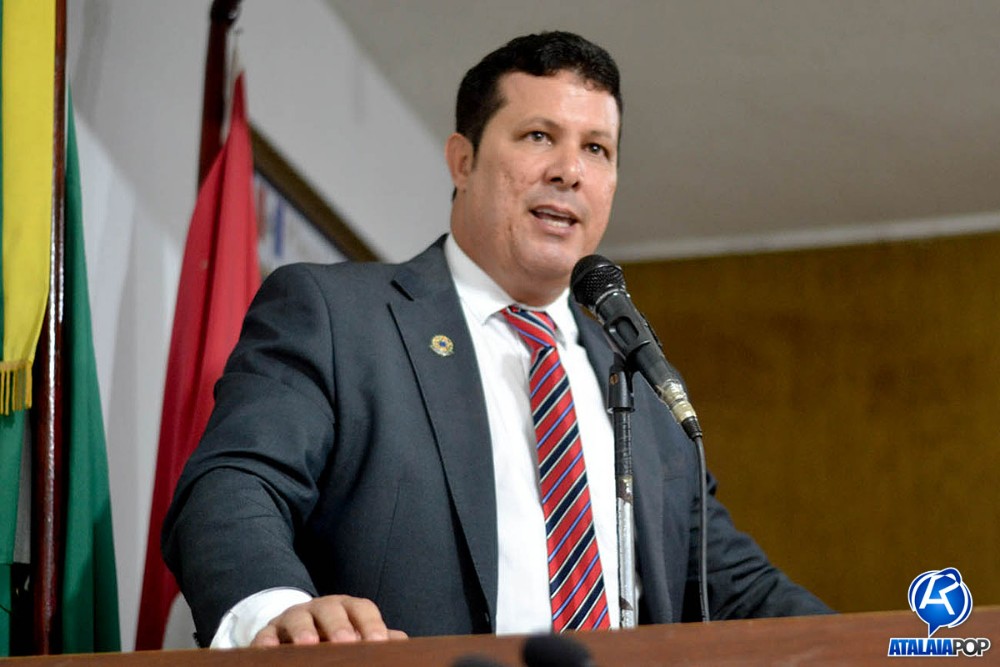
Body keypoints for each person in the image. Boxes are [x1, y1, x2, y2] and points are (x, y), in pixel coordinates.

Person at [162, 31, 831, 649]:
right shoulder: (339, 317)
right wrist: (276, 609)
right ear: (463, 161)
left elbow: (736, 588)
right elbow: (234, 485)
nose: (570, 170)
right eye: (539, 136)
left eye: (596, 149)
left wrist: (880, 645)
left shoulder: (643, 397)